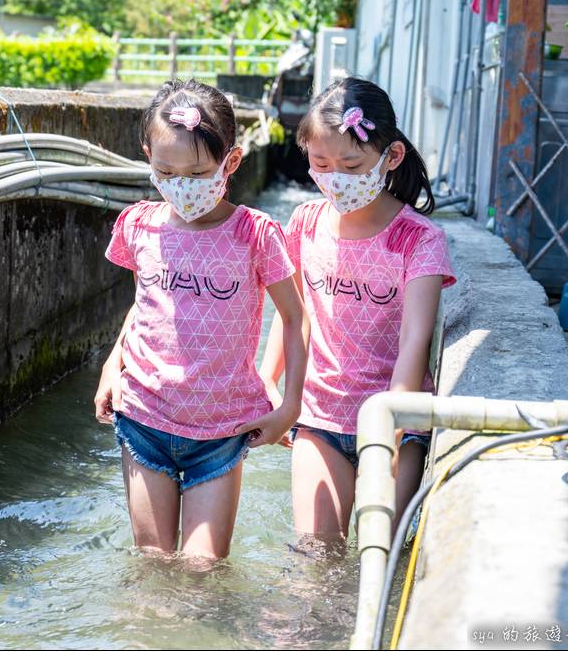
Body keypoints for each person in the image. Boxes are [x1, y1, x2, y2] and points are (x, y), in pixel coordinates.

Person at [93, 79, 307, 559]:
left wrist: (289, 406)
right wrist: (113, 365)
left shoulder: (255, 234)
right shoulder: (139, 224)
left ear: (230, 162)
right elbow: (145, 304)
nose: (181, 187)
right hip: (144, 416)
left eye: (197, 173)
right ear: (148, 155)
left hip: (221, 430)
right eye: (166, 171)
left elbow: (294, 318)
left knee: (203, 568)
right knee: (152, 561)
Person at [259, 77, 455, 546]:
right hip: (319, 418)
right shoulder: (304, 223)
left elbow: (415, 341)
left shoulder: (418, 239)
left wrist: (390, 424)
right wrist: (267, 380)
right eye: (321, 163)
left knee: (381, 554)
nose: (335, 177)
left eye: (351, 164)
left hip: (395, 423)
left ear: (390, 158)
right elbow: (294, 315)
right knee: (313, 561)